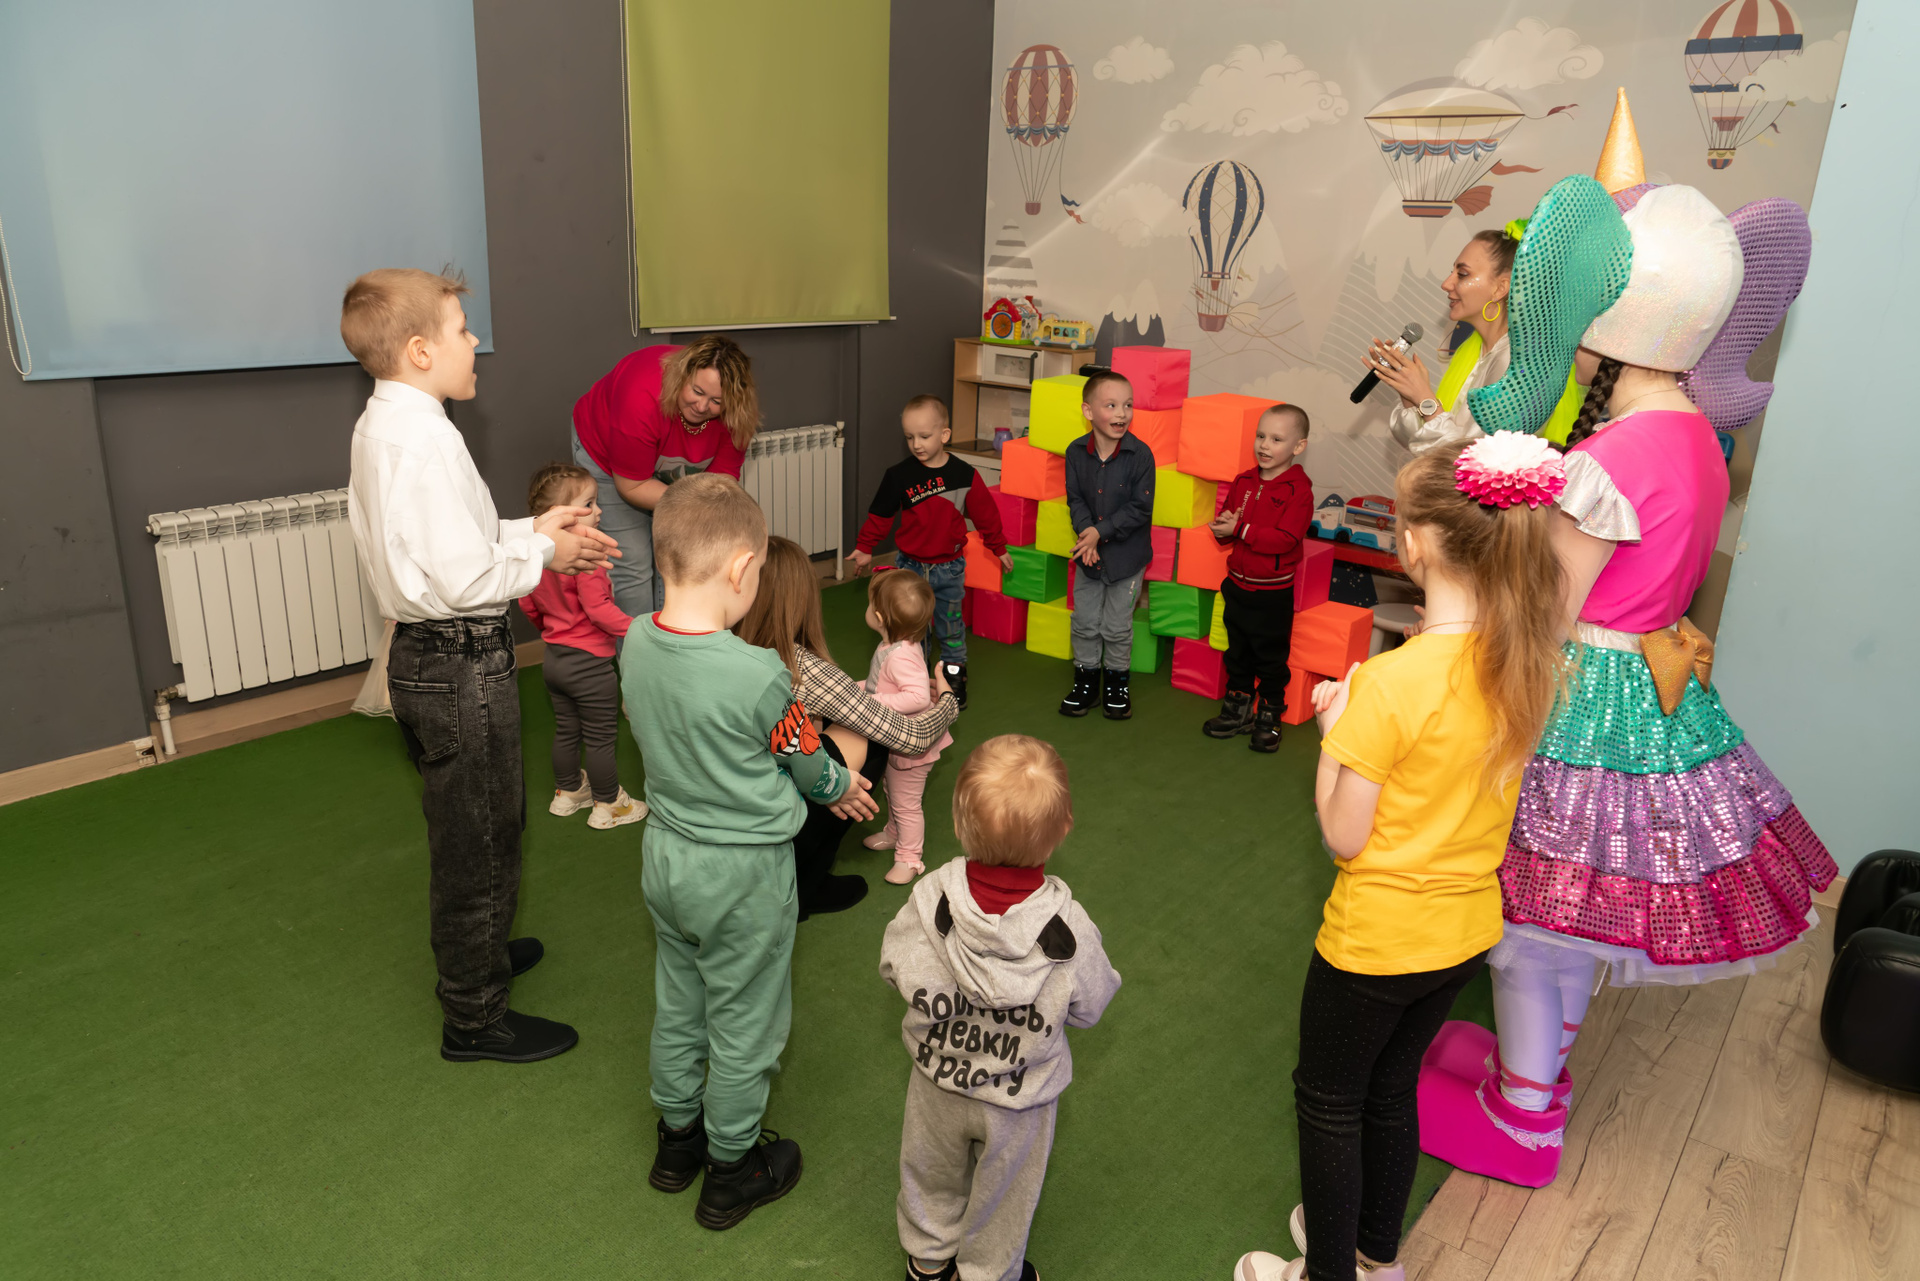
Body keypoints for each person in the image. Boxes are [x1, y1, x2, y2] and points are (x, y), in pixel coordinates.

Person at [1419, 183, 1836, 1188]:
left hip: (1577, 695)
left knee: (1533, 923)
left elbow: (1549, 611)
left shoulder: (1612, 456)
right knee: (1570, 913)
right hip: (1648, 688)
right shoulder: (1698, 438)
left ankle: (1522, 1117)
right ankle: (1536, 1077)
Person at [1234, 435, 1573, 1281]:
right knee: (1390, 1089)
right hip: (1463, 935)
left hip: (1378, 941)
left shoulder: (1390, 683)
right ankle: (1374, 1255)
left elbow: (1343, 835)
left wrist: (1333, 733)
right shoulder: (1525, 664)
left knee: (1329, 1100)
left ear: (1414, 543)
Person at [343, 268, 616, 1063]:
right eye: (463, 331)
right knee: (481, 840)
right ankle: (473, 1014)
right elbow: (466, 579)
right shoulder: (427, 440)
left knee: (484, 822)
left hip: (432, 656)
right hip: (458, 660)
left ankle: (482, 952)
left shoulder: (387, 424)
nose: (474, 344)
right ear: (421, 349)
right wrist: (548, 552)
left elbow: (452, 540)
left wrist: (532, 527)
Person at [621, 473, 875, 1230]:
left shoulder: (635, 640)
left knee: (680, 1001)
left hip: (667, 858)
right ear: (740, 568)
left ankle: (676, 1143)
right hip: (744, 877)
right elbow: (807, 763)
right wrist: (841, 781)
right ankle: (732, 1168)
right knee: (745, 1021)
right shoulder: (759, 673)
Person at [879, 734, 1121, 1281]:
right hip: (1020, 1099)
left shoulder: (930, 898)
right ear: (1063, 828)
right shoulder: (1069, 928)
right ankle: (988, 1272)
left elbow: (894, 966)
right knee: (1006, 1194)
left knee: (930, 1173)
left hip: (937, 1081)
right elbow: (1091, 1005)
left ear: (959, 823)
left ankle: (928, 1260)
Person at [735, 537, 962, 918]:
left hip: (735, 803)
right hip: (773, 806)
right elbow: (909, 735)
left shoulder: (728, 644)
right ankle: (807, 879)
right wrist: (949, 702)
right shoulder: (803, 666)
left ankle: (901, 849)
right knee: (871, 737)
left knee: (897, 790)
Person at [571, 336, 761, 615]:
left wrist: (701, 508)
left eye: (716, 401)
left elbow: (720, 482)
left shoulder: (738, 415)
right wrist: (696, 506)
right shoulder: (642, 395)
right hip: (610, 460)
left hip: (669, 468)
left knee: (681, 560)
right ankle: (637, 644)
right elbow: (633, 486)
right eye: (697, 391)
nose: (702, 406)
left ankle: (670, 638)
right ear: (682, 376)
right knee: (633, 564)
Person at [850, 395, 1011, 709]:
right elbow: (881, 515)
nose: (916, 444)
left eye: (924, 436)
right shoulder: (898, 475)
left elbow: (986, 514)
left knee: (951, 628)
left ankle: (953, 678)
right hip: (909, 568)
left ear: (944, 434)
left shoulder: (964, 475)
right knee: (911, 630)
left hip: (949, 568)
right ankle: (917, 678)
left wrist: (998, 547)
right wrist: (865, 547)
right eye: (909, 437)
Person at [1364, 226, 1585, 454]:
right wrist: (1409, 391)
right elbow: (1423, 444)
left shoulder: (1518, 364)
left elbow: (1473, 459)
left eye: (1462, 274)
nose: (1446, 284)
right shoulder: (1477, 352)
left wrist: (1424, 397)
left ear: (1500, 288)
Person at [517, 462, 646, 830]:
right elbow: (598, 610)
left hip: (555, 661)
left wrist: (552, 629)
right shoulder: (587, 558)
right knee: (601, 739)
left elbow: (528, 604)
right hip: (591, 666)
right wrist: (637, 628)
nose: (599, 511)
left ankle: (569, 791)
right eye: (589, 504)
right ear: (561, 514)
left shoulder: (538, 556)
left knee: (566, 730)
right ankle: (609, 804)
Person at [1202, 404, 1314, 752]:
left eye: (1276, 439)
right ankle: (1237, 709)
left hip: (1271, 593)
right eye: (1260, 436)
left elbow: (1285, 539)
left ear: (1298, 447)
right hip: (1237, 584)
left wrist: (1240, 528)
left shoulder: (1298, 491)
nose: (1265, 445)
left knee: (1270, 657)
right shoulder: (1244, 481)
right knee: (1237, 652)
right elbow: (1230, 526)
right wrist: (1224, 528)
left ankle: (1269, 715)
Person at [1059, 370, 1155, 720]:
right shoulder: (1075, 452)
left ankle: (1116, 684)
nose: (1121, 413)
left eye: (1127, 405)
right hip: (1088, 556)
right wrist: (1088, 533)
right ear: (1088, 411)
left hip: (1126, 559)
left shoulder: (1140, 455)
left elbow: (1140, 508)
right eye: (1111, 405)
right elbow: (1075, 500)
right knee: (1084, 621)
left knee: (1116, 626)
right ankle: (1086, 682)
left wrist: (1100, 532)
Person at [859, 570, 953, 886]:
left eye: (870, 604)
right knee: (892, 791)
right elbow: (880, 684)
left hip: (913, 749)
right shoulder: (892, 646)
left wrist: (873, 701)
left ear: (880, 617)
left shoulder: (901, 656)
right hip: (897, 741)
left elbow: (917, 697)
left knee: (906, 804)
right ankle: (893, 833)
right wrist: (861, 690)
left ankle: (910, 857)